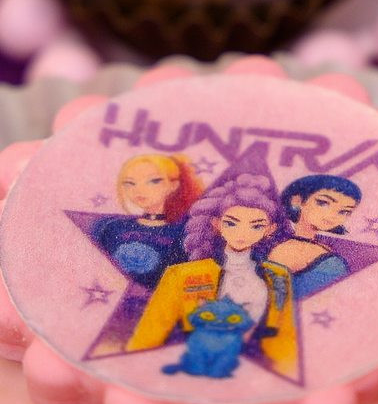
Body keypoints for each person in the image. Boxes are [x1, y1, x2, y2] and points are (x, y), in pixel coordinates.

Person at [127, 172, 298, 380]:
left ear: (270, 229)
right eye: (232, 223)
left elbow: (283, 337)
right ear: (217, 224)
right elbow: (151, 330)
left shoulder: (278, 276)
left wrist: (285, 376)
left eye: (256, 225)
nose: (242, 233)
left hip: (254, 374)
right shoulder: (183, 274)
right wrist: (133, 371)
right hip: (191, 366)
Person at [91, 153, 203, 289]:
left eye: (153, 181)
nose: (139, 189)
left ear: (173, 185)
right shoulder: (111, 227)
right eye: (129, 183)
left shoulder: (188, 231)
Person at [268, 174, 361, 299]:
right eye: (323, 203)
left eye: (344, 211)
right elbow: (276, 298)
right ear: (297, 200)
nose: (333, 215)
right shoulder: (286, 249)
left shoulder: (322, 247)